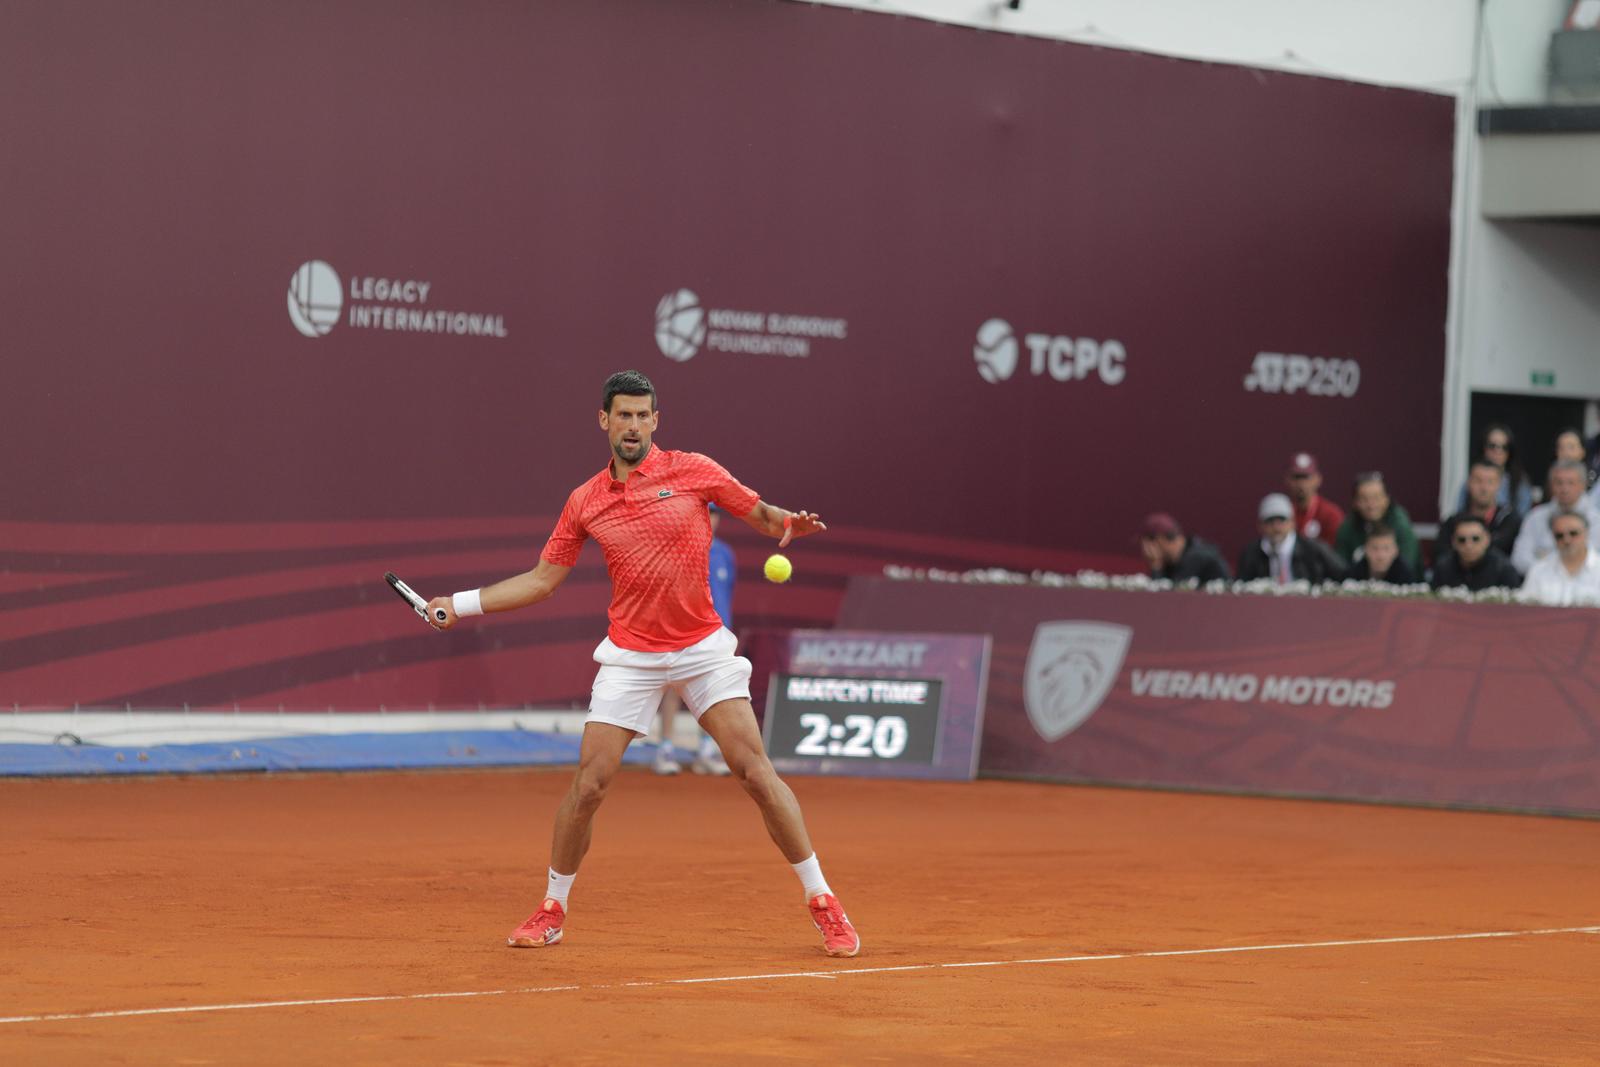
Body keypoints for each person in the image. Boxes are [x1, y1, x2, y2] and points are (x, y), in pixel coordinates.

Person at [425, 370, 860, 957]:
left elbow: (758, 513)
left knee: (754, 772)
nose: (632, 426)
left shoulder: (694, 470)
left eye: (642, 416)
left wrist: (788, 523)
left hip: (702, 648)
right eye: (622, 415)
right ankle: (552, 907)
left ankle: (823, 901)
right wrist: (461, 604)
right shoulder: (584, 501)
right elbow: (541, 580)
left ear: (656, 421)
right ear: (604, 421)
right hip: (632, 655)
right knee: (589, 784)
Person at [651, 503, 735, 776]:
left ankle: (706, 750)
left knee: (712, 694)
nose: (710, 518)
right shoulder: (678, 551)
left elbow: (726, 595)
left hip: (717, 637)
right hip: (681, 631)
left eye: (714, 513)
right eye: (704, 513)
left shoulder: (725, 555)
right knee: (674, 688)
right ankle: (665, 748)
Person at [1510, 460, 1600, 576]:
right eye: (1559, 483)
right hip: (1541, 586)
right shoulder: (1535, 516)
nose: (1564, 489)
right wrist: (1550, 574)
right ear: (1551, 485)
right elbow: (1519, 559)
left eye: (1570, 483)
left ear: (1583, 485)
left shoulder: (1597, 520)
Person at [1236, 493, 1348, 583]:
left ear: (1292, 523)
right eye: (1270, 521)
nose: (1276, 527)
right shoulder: (1251, 554)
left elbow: (1344, 576)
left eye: (1282, 520)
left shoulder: (1314, 550)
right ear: (1260, 526)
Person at [1333, 472, 1422, 573]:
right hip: (1356, 584)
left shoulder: (1400, 524)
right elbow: (1341, 567)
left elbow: (1407, 566)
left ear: (1387, 499)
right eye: (1364, 499)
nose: (1371, 505)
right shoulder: (1348, 527)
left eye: (1376, 498)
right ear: (1355, 502)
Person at [1438, 460, 1521, 561]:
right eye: (1478, 481)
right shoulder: (1452, 523)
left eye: (1490, 482)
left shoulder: (1510, 521)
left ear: (1499, 485)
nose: (1484, 488)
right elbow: (1441, 558)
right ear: (1468, 483)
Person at [1519, 509, 1600, 606]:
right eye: (1559, 536)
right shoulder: (1538, 570)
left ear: (1586, 533)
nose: (1567, 540)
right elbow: (1525, 608)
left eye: (1573, 533)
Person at [1455, 423, 1532, 516]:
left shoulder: (1519, 482)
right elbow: (1460, 515)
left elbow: (1522, 519)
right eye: (1492, 446)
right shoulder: (1471, 480)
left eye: (1504, 447)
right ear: (1484, 448)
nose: (1498, 451)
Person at [1430, 515, 1522, 592]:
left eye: (1476, 539)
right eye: (1462, 540)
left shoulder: (1503, 569)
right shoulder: (1443, 568)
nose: (1468, 545)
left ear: (1487, 539)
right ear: (1453, 542)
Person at [1138, 512, 1231, 584]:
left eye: (1149, 541)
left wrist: (1156, 565)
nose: (1145, 548)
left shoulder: (1196, 556)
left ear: (1162, 539)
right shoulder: (1172, 561)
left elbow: (1166, 600)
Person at [1285, 452, 1343, 547]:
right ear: (1288, 480)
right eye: (1296, 477)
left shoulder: (1331, 514)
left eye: (1306, 477)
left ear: (1318, 479)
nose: (1301, 483)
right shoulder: (1283, 513)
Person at [1346, 524, 1417, 584]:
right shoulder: (1354, 574)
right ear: (1365, 550)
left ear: (1396, 551)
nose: (1380, 556)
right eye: (1375, 548)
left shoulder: (1406, 577)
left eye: (1386, 548)